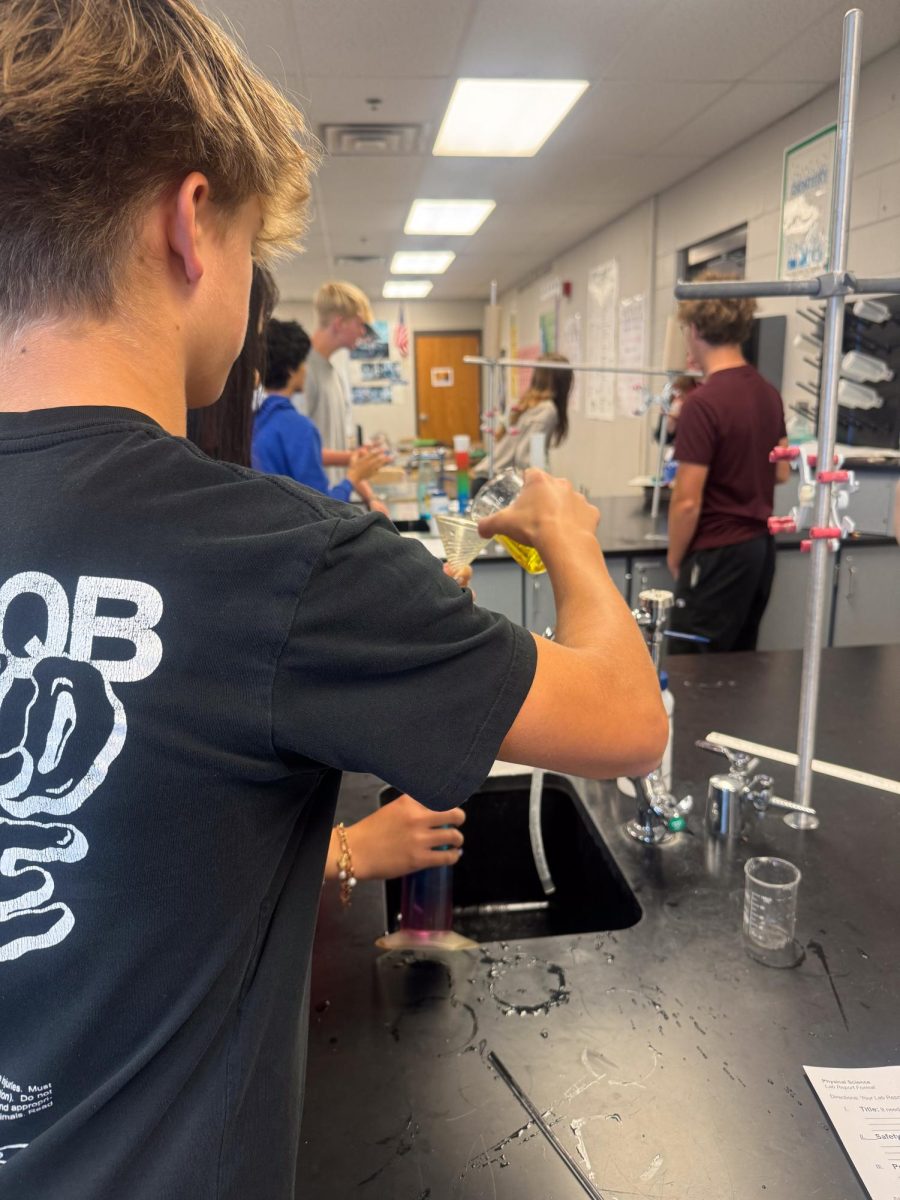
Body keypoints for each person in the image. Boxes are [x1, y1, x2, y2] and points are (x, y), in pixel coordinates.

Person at [0, 6, 667, 1200]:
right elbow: (625, 719)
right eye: (259, 245)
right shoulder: (274, 558)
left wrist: (347, 850)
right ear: (190, 225)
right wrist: (570, 536)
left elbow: (133, 865)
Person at [666, 272, 791, 653]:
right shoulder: (767, 393)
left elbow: (687, 501)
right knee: (736, 671)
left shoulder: (702, 403)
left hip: (717, 554)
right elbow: (782, 470)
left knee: (695, 672)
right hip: (758, 554)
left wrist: (676, 559)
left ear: (695, 329)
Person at [252, 316, 387, 505]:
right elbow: (322, 509)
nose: (306, 370)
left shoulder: (254, 421)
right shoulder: (299, 428)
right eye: (303, 363)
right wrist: (353, 478)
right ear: (292, 370)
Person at [305, 279, 388, 510]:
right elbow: (299, 450)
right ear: (339, 323)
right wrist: (351, 459)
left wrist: (370, 497)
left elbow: (339, 449)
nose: (362, 333)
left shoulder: (334, 373)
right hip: (312, 506)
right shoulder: (302, 372)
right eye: (359, 325)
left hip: (335, 501)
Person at [472, 352, 573, 490]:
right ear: (563, 381)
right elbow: (525, 457)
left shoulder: (527, 403)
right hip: (497, 485)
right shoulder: (547, 410)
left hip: (487, 479)